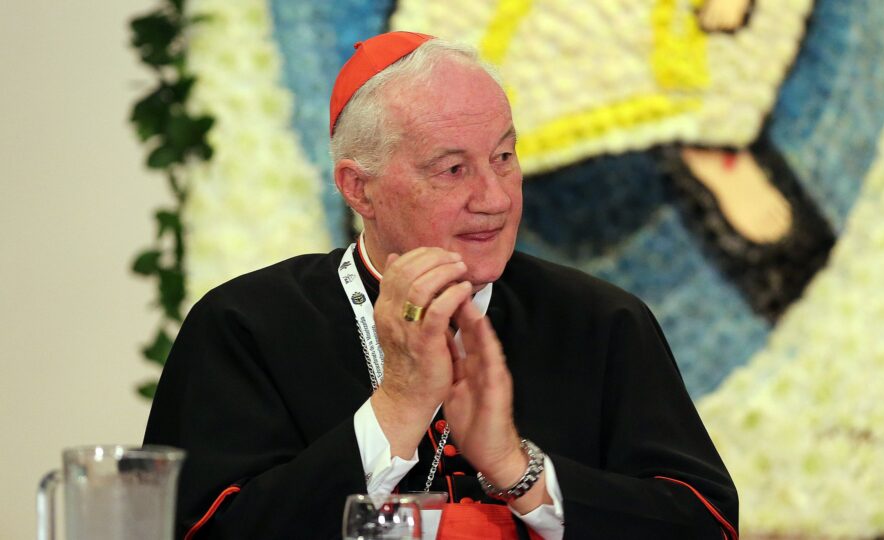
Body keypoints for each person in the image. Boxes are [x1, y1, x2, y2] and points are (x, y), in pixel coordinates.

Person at [144, 31, 738, 539]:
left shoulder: (601, 322)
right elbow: (200, 530)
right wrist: (397, 407)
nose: (495, 198)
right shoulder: (246, 326)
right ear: (359, 188)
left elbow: (705, 523)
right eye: (453, 169)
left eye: (504, 157)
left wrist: (519, 471)